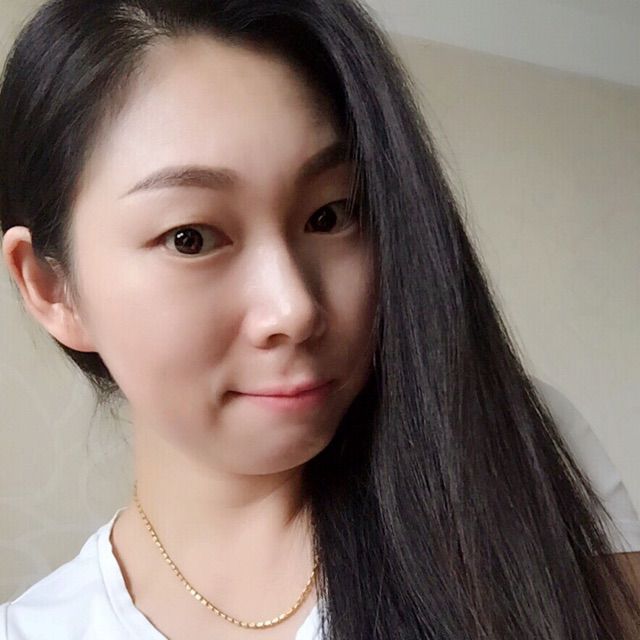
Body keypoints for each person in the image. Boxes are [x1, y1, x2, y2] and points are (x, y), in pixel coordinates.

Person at [0, 0, 638, 638]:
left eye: (329, 216)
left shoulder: (502, 452)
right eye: (191, 237)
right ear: (51, 287)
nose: (295, 308)